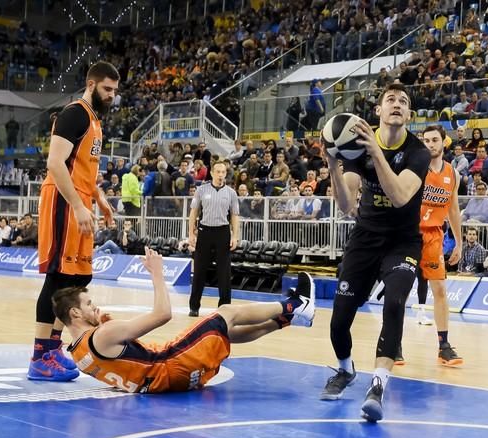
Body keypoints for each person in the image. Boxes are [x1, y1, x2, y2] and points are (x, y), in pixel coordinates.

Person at [56, 249, 316, 393]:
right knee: (225, 313)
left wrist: (98, 317)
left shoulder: (78, 354)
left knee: (224, 332)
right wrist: (157, 274)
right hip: (171, 363)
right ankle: (296, 304)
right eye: (88, 304)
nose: (96, 306)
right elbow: (162, 315)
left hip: (168, 382)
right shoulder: (103, 335)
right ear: (75, 314)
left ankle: (288, 319)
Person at [321, 83, 430, 423]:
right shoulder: (356, 149)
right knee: (339, 321)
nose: (397, 104)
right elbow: (345, 204)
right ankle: (344, 370)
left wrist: (377, 154)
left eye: (404, 101)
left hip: (402, 241)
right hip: (366, 237)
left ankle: (378, 386)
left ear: (408, 114)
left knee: (395, 302)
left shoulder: (418, 152)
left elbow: (400, 196)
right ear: (379, 111)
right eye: (390, 100)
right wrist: (333, 164)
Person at [29, 61, 119, 381]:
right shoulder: (75, 113)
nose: (112, 96)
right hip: (63, 202)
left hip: (79, 201)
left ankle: (54, 348)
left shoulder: (94, 121)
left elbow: (82, 167)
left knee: (76, 280)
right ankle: (40, 356)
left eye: (115, 91)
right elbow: (55, 163)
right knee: (57, 277)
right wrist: (79, 206)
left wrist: (99, 197)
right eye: (107, 89)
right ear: (91, 84)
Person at [396, 125, 463, 367]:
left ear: (444, 143)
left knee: (441, 291)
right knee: (399, 292)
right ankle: (394, 344)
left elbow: (453, 210)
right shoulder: (414, 169)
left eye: (435, 140)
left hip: (434, 236)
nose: (430, 144)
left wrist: (459, 241)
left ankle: (444, 345)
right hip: (409, 234)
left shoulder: (452, 174)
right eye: (426, 140)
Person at [188, 161, 240, 317]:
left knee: (224, 272)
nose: (220, 175)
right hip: (204, 232)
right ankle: (194, 306)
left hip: (222, 232)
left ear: (226, 173)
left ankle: (224, 308)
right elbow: (194, 212)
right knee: (199, 271)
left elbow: (235, 216)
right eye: (217, 171)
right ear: (211, 173)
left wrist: (235, 236)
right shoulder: (201, 190)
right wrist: (191, 233)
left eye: (223, 172)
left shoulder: (231, 193)